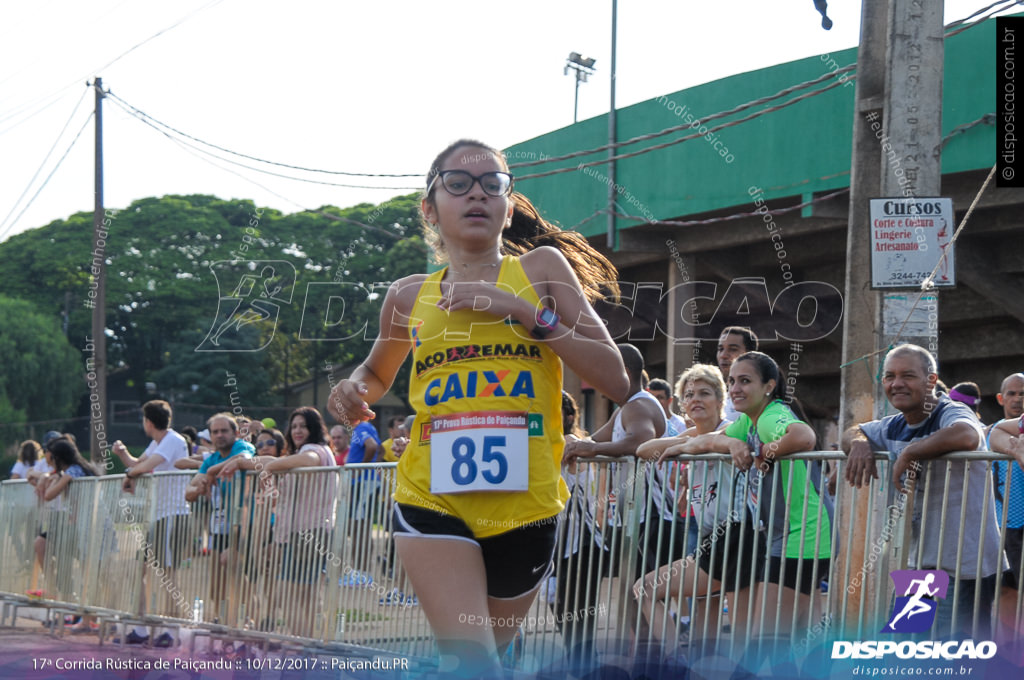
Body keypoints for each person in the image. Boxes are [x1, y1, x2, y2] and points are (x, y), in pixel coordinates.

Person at [327, 139, 627, 678]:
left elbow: (614, 376)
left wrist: (520, 310)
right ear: (430, 206)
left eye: (494, 184)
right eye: (458, 183)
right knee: (470, 660)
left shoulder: (541, 271)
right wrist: (352, 388)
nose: (478, 195)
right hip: (431, 495)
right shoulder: (407, 295)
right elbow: (374, 375)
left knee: (491, 657)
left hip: (528, 504)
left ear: (509, 207)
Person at [658, 351, 831, 642]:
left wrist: (763, 452)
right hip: (791, 536)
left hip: (802, 536)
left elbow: (804, 437)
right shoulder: (751, 421)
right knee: (794, 638)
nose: (736, 388)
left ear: (769, 386)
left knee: (764, 641)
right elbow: (715, 438)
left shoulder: (770, 416)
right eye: (732, 381)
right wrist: (713, 443)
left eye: (745, 381)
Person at [845, 344, 1005, 639]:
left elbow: (968, 434)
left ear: (931, 380)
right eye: (889, 376)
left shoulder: (949, 410)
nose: (896, 384)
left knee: (954, 657)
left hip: (962, 565)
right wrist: (858, 441)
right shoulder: (895, 424)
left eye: (908, 375)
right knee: (908, 651)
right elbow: (855, 430)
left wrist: (911, 452)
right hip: (919, 563)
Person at [634, 363, 733, 647]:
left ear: (719, 399)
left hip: (733, 541)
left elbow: (723, 441)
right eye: (689, 395)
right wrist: (682, 442)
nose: (695, 400)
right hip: (708, 540)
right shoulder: (692, 437)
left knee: (644, 589)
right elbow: (643, 450)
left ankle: (674, 659)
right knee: (706, 614)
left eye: (704, 393)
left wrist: (687, 445)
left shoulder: (730, 430)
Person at [216, 406, 337, 637]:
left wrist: (269, 468)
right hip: (310, 531)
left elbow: (307, 460)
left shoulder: (315, 450)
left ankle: (304, 648)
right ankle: (312, 648)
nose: (297, 430)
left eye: (303, 425)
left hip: (306, 532)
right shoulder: (309, 452)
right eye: (294, 426)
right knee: (307, 596)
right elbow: (272, 459)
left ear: (315, 428)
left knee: (285, 595)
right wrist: (242, 463)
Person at [111, 400, 190, 648]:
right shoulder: (158, 442)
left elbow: (144, 467)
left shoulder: (173, 440)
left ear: (148, 421)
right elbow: (138, 465)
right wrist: (123, 455)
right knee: (140, 570)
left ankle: (171, 629)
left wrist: (130, 474)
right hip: (160, 516)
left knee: (168, 575)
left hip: (173, 514)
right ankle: (142, 628)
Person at [550, 391, 613, 671]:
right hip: (556, 543)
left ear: (569, 416)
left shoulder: (573, 442)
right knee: (561, 609)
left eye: (553, 410)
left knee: (577, 614)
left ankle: (585, 667)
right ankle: (583, 666)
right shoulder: (544, 445)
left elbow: (573, 446)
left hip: (583, 544)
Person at [184, 412, 255, 627]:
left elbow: (244, 460)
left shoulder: (242, 447)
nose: (219, 435)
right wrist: (198, 487)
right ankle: (221, 620)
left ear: (234, 433)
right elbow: (189, 491)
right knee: (216, 582)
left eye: (224, 431)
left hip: (244, 525)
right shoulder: (212, 458)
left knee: (235, 574)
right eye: (215, 432)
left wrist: (212, 473)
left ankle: (249, 619)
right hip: (219, 527)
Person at [35, 436, 100, 631]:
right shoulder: (78, 469)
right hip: (80, 526)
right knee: (82, 570)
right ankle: (75, 611)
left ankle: (86, 615)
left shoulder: (73, 472)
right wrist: (49, 477)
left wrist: (53, 480)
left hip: (86, 527)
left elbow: (48, 495)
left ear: (58, 457)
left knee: (88, 572)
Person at [990, 373, 1024, 588]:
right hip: (1002, 524)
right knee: (1004, 590)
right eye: (1012, 394)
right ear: (1001, 398)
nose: (1018, 399)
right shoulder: (989, 432)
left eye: (1023, 394)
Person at [716, 326, 759, 422]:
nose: (723, 355)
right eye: (720, 349)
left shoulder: (761, 399)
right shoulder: (720, 396)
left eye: (733, 349)